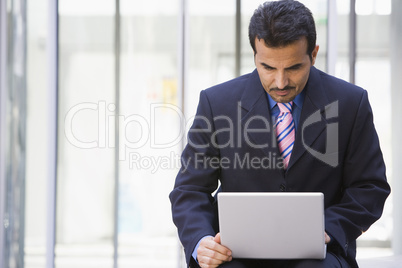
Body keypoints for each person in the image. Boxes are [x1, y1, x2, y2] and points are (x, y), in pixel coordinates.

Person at [169, 0, 391, 267]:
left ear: (314, 54)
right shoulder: (217, 104)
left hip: (319, 254)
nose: (281, 82)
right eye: (268, 68)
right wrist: (201, 241)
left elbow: (370, 187)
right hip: (235, 253)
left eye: (294, 68)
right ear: (255, 56)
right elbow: (190, 188)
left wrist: (328, 231)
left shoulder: (350, 104)